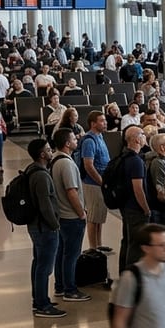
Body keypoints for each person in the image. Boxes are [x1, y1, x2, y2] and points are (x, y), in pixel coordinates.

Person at [21, 138, 65, 318]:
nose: (51, 151)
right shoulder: (40, 175)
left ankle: (38, 299)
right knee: (44, 267)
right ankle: (42, 304)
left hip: (37, 226)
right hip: (44, 228)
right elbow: (45, 204)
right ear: (42, 154)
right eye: (48, 149)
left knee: (38, 263)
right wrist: (55, 225)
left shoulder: (32, 170)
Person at [50, 128, 90, 304]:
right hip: (71, 216)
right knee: (71, 255)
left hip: (61, 215)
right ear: (67, 143)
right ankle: (70, 289)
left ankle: (60, 286)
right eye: (74, 138)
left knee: (62, 252)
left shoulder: (56, 159)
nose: (77, 139)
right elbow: (71, 191)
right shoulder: (66, 164)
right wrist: (81, 213)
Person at [118, 125, 153, 272]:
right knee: (136, 247)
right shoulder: (136, 161)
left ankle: (124, 274)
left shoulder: (125, 156)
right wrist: (146, 209)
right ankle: (131, 280)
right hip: (136, 209)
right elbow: (138, 189)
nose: (145, 137)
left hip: (126, 206)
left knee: (127, 242)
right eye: (143, 134)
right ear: (137, 139)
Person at [80, 111, 112, 253]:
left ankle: (99, 244)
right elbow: (88, 165)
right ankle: (93, 248)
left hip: (101, 182)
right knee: (93, 216)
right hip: (93, 184)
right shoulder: (89, 141)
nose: (105, 123)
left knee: (99, 216)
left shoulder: (100, 136)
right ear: (93, 123)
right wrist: (101, 182)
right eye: (102, 121)